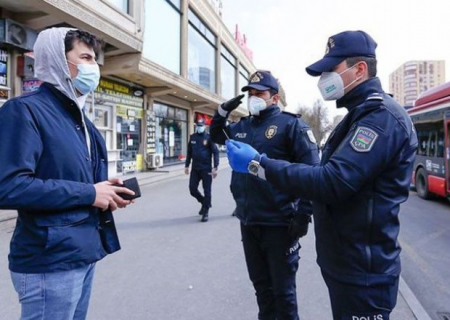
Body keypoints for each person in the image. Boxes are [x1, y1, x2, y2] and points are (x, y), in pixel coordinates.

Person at [225, 31, 418, 320]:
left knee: (282, 296)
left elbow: (331, 181)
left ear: (360, 69)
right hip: (345, 264)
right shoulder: (357, 116)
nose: (323, 79)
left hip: (363, 273)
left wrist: (258, 164)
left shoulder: (381, 117)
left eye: (331, 70)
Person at [0, 28, 135, 320]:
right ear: (59, 60)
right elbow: (8, 187)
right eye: (85, 57)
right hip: (49, 260)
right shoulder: (24, 111)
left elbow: (75, 180)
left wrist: (105, 190)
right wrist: (90, 193)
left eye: (95, 60)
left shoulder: (80, 119)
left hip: (82, 252)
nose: (94, 67)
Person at [210, 70, 320, 319]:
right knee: (262, 290)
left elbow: (311, 172)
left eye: (259, 93)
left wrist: (303, 215)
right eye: (250, 94)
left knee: (283, 293)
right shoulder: (242, 126)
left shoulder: (291, 125)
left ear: (274, 98)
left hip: (280, 224)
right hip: (249, 222)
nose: (253, 98)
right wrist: (222, 112)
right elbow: (216, 135)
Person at [185, 118, 219, 222]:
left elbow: (215, 152)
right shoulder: (193, 137)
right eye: (198, 125)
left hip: (206, 169)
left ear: (205, 126)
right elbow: (189, 152)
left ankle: (205, 212)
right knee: (192, 189)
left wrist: (215, 167)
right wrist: (186, 166)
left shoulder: (209, 138)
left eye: (201, 126)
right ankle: (205, 202)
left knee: (207, 190)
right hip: (195, 168)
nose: (199, 127)